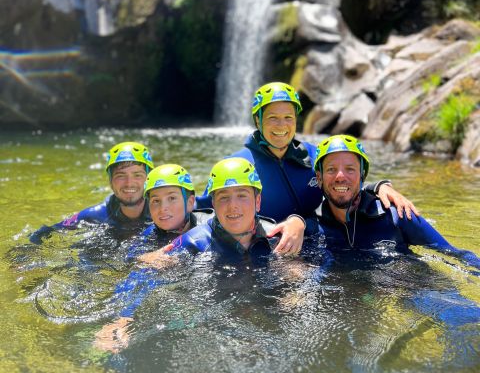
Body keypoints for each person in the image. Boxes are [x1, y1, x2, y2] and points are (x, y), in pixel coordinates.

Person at [196, 81, 418, 256]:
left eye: (288, 118)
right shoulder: (237, 166)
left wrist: (379, 186)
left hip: (320, 247)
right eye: (272, 118)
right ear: (257, 120)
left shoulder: (314, 156)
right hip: (268, 253)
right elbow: (206, 210)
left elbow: (345, 184)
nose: (281, 126)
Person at [94, 157, 277, 352]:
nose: (233, 206)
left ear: (257, 201)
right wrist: (122, 318)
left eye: (242, 195)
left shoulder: (277, 236)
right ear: (214, 203)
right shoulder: (192, 242)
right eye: (224, 197)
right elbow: (141, 276)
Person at [312, 134, 480, 264]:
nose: (340, 177)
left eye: (350, 169)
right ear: (319, 178)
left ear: (362, 175)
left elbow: (455, 254)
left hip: (410, 288)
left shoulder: (396, 215)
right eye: (331, 169)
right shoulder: (312, 227)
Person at [29, 141, 154, 244]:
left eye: (137, 175)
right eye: (121, 176)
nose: (129, 183)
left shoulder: (164, 211)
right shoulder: (97, 215)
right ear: (110, 181)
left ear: (149, 179)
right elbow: (46, 231)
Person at [126, 163, 213, 264]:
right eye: (156, 201)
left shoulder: (210, 224)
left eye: (172, 198)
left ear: (189, 203)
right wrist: (145, 258)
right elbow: (130, 259)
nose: (163, 208)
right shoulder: (150, 235)